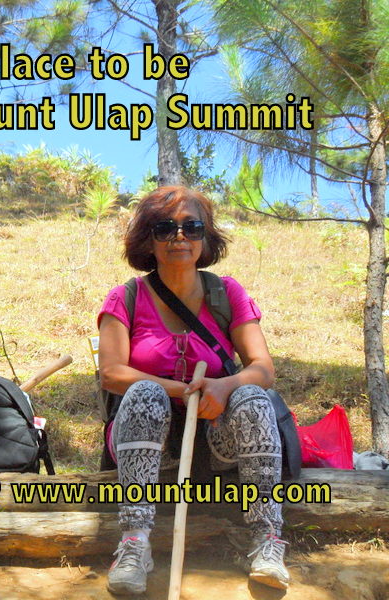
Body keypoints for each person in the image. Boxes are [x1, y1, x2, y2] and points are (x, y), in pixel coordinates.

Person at [97, 186, 289, 595]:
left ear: (206, 238)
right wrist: (178, 389)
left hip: (217, 443)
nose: (179, 237)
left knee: (253, 396)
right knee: (144, 393)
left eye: (191, 227)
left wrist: (225, 384)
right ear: (148, 239)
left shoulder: (227, 293)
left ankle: (267, 539)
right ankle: (134, 543)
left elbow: (263, 369)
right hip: (150, 451)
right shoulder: (126, 298)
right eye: (165, 228)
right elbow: (112, 374)